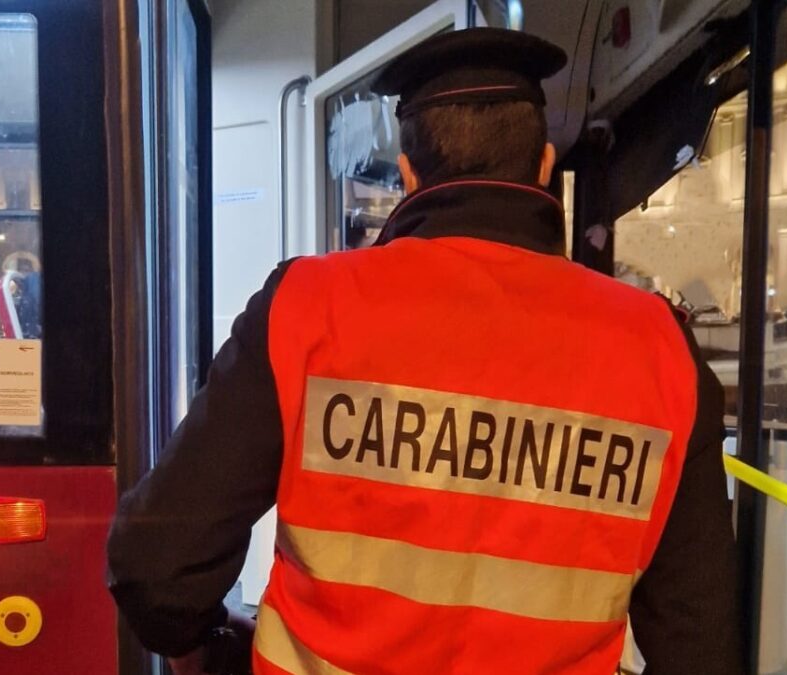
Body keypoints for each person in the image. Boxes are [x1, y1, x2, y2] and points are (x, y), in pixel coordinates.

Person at [107, 28, 743, 674]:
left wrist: (214, 645)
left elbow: (156, 569)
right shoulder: (660, 349)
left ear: (409, 174)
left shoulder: (307, 308)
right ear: (544, 166)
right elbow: (701, 647)